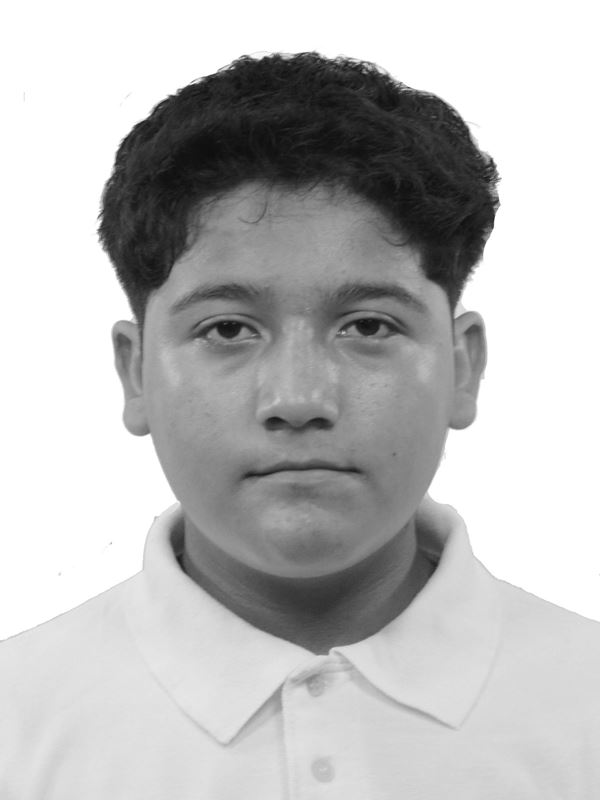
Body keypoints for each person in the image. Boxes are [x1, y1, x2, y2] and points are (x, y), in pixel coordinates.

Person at [1, 52, 598, 799]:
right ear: (136, 372)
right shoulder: (16, 726)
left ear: (462, 365)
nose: (298, 396)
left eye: (369, 325)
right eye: (227, 329)